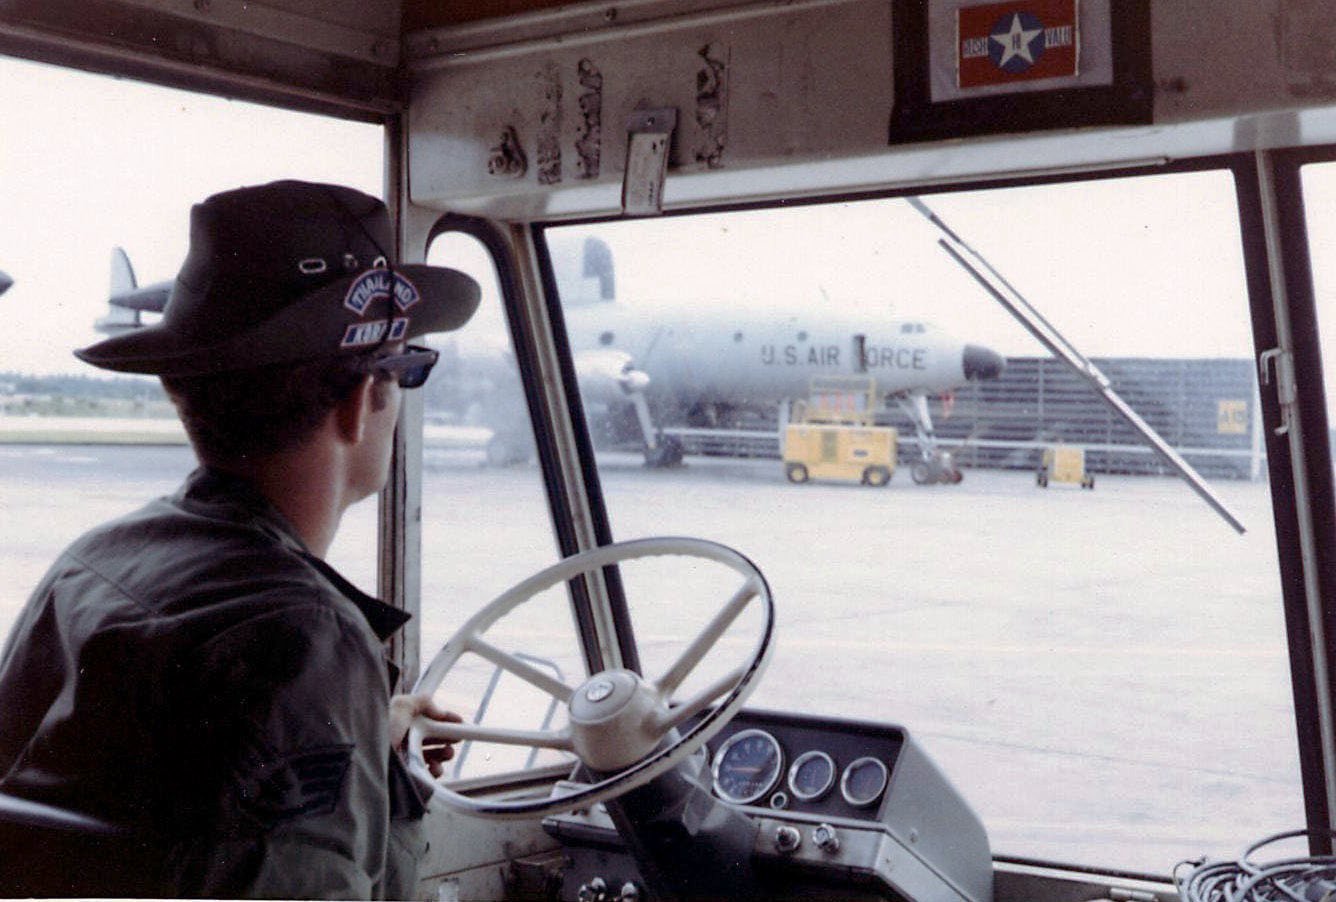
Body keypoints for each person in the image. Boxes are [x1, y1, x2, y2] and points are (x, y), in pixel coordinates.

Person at [0, 180, 481, 898]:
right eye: (406, 370)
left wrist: (359, 742)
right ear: (361, 401)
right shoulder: (302, 640)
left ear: (178, 392)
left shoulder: (97, 561)